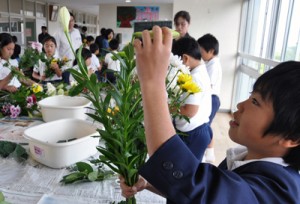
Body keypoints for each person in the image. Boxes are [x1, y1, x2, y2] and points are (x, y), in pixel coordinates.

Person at [119, 26, 300, 203]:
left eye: (255, 102)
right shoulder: (246, 159)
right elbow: (202, 192)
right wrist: (148, 185)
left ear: (292, 138)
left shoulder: (276, 192)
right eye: (249, 96)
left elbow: (197, 186)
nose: (240, 105)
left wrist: (152, 82)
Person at [171, 37, 212, 160]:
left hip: (193, 133)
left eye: (177, 63)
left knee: (187, 168)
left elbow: (189, 111)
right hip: (199, 129)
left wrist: (167, 108)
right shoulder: (201, 70)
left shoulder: (195, 77)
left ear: (185, 58)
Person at [197, 33, 222, 163]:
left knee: (205, 126)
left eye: (201, 51)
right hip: (210, 98)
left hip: (212, 99)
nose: (199, 54)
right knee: (206, 125)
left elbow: (207, 84)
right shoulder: (209, 63)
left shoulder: (213, 65)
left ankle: (209, 153)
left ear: (211, 51)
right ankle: (209, 152)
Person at [55, 12, 82, 84]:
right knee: (67, 87)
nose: (70, 23)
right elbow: (55, 50)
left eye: (72, 20)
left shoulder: (77, 32)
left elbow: (80, 46)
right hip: (66, 66)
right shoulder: (59, 33)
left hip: (77, 65)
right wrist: (58, 64)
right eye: (68, 21)